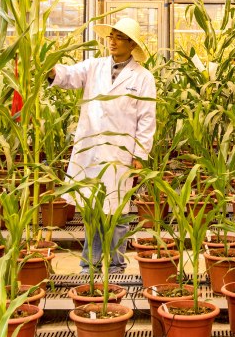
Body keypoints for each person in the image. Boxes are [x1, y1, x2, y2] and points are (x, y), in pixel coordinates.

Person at [49, 16, 157, 272]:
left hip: (121, 153)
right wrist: (51, 70)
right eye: (111, 36)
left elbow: (146, 118)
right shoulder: (94, 67)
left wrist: (139, 154)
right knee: (92, 210)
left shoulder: (143, 78)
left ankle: (116, 264)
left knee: (117, 210)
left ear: (132, 45)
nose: (113, 41)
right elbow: (69, 76)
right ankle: (90, 263)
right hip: (91, 149)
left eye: (120, 38)